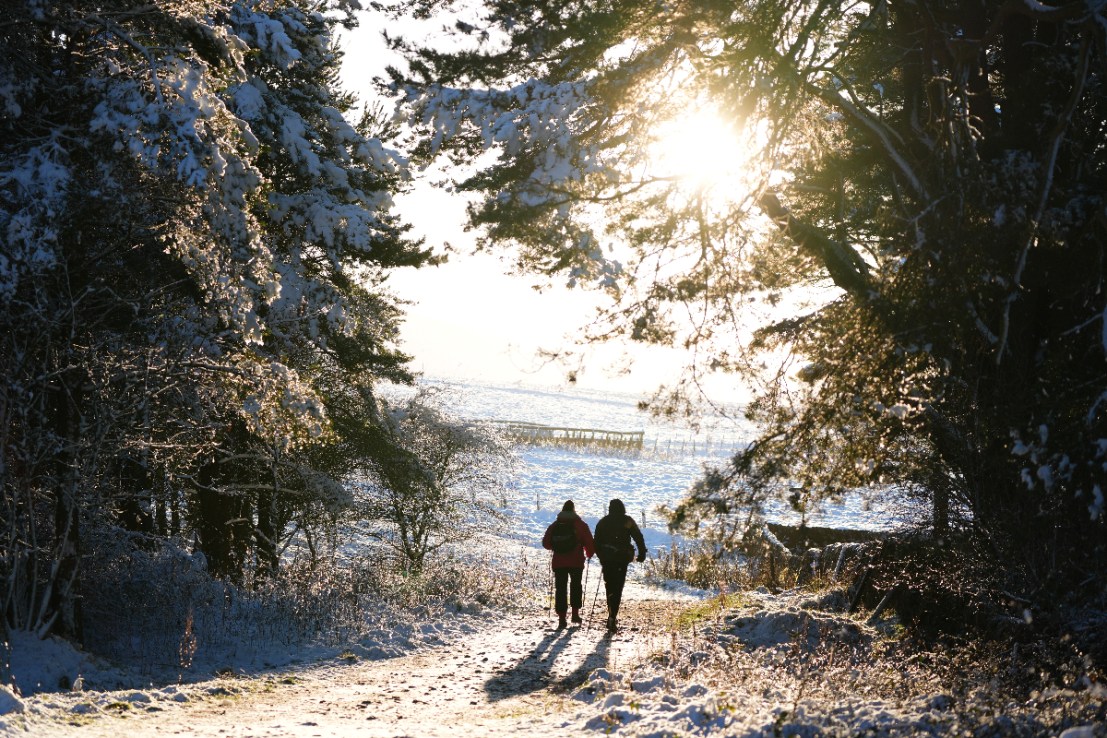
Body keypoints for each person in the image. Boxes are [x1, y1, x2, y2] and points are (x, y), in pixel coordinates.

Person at [592, 498, 647, 633]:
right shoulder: (627, 521)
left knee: (609, 586)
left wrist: (601, 556)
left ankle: (611, 611)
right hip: (621, 559)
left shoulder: (603, 522)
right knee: (618, 586)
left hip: (607, 559)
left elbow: (596, 542)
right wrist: (641, 553)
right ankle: (613, 615)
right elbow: (638, 537)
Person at [541, 500, 596, 629]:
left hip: (559, 562)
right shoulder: (581, 525)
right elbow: (590, 544)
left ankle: (561, 618)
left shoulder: (555, 525)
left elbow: (546, 544)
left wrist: (557, 546)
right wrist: (589, 554)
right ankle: (575, 615)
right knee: (576, 586)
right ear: (574, 510)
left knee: (560, 589)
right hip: (576, 562)